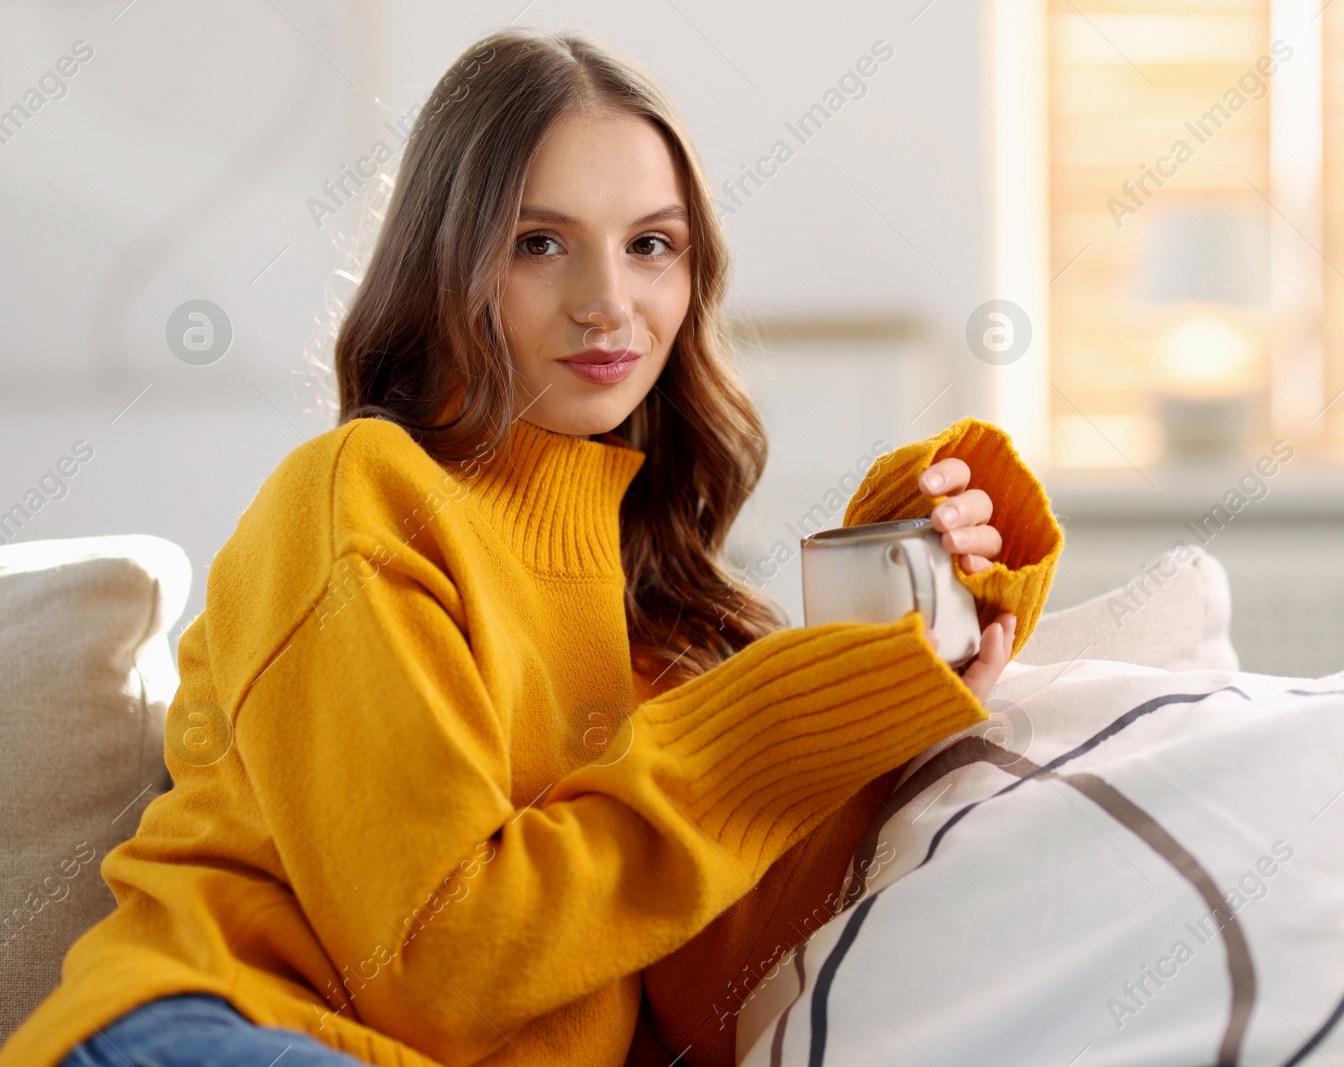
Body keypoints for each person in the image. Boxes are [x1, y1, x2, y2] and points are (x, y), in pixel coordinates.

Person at [1, 28, 1062, 1067]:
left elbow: (709, 1010)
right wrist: (761, 719)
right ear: (447, 264)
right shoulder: (357, 495)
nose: (608, 303)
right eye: (539, 243)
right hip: (214, 1029)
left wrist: (860, 663)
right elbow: (439, 963)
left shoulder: (661, 602)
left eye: (651, 244)